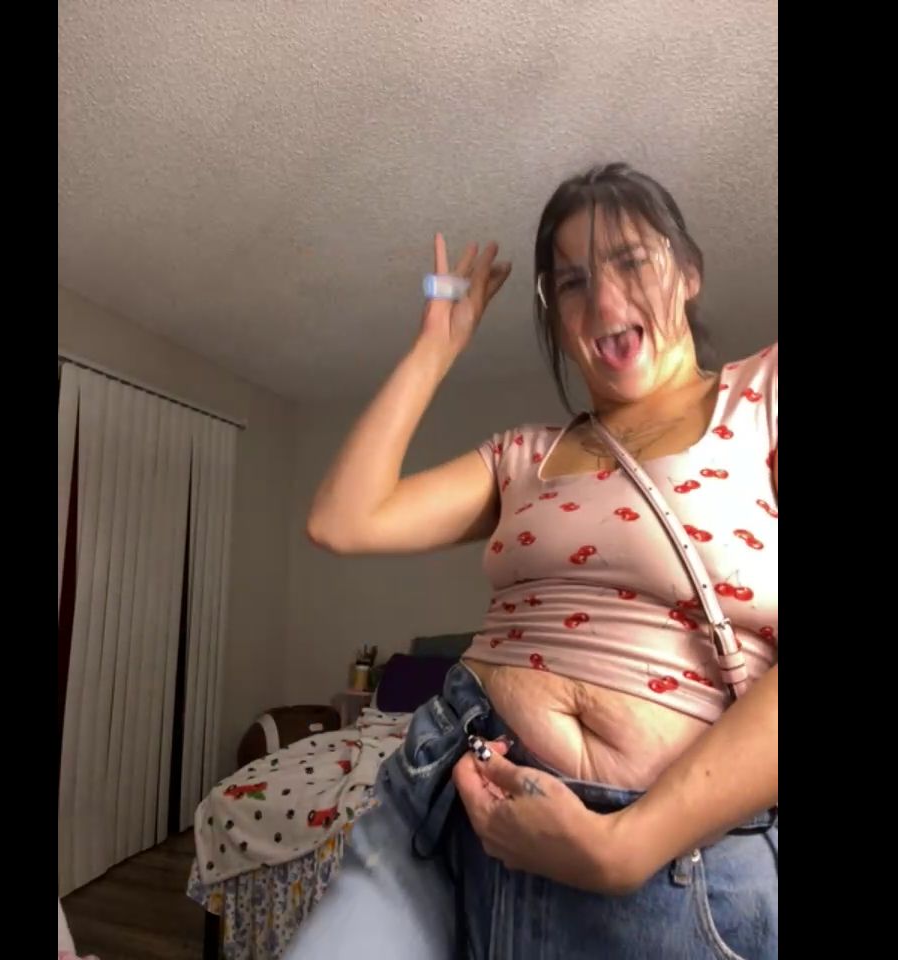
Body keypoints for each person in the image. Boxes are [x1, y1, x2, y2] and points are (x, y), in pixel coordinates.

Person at [289, 163, 778, 959]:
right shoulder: (520, 456)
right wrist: (435, 350)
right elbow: (341, 520)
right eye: (573, 281)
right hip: (447, 799)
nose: (605, 301)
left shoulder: (765, 393)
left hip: (664, 861)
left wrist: (624, 847)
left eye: (631, 261)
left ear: (689, 272)